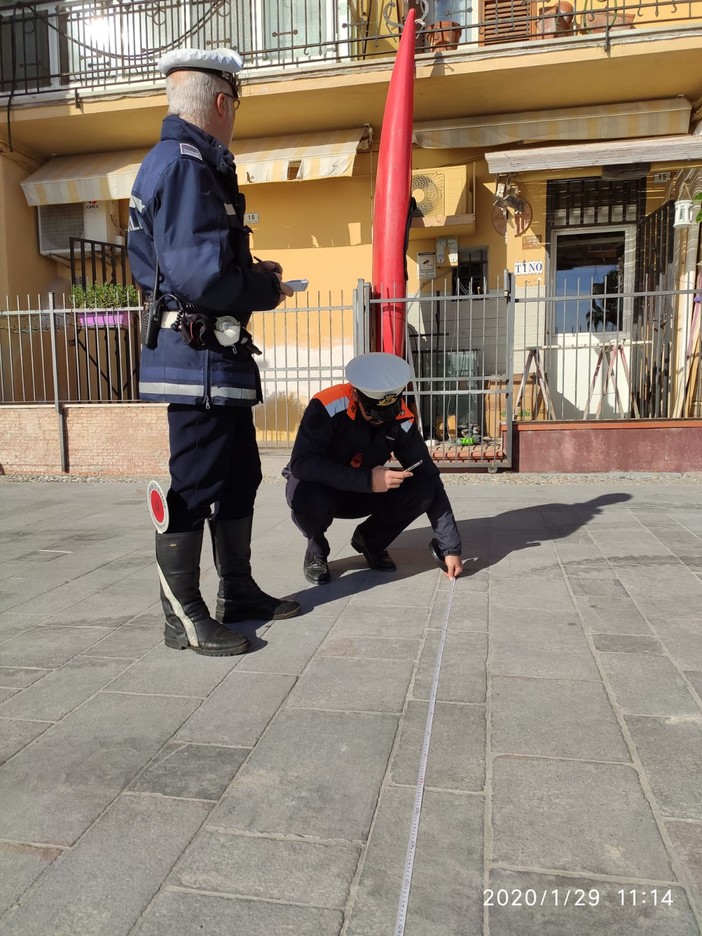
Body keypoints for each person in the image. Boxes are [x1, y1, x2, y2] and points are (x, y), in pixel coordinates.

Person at [128, 47, 300, 657]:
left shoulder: (191, 163)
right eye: (237, 105)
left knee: (239, 475)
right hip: (196, 359)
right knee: (196, 484)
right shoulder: (185, 166)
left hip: (213, 358)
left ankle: (238, 591)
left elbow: (200, 261)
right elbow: (201, 276)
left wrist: (252, 274)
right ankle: (182, 615)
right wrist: (265, 288)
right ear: (222, 102)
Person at [283, 352, 464, 583]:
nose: (380, 421)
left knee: (423, 488)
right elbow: (302, 463)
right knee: (304, 493)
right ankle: (316, 549)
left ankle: (371, 540)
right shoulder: (327, 405)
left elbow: (429, 475)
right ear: (356, 395)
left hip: (363, 493)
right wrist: (368, 480)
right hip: (323, 490)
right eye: (374, 415)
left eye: (386, 416)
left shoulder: (401, 418)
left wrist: (451, 548)